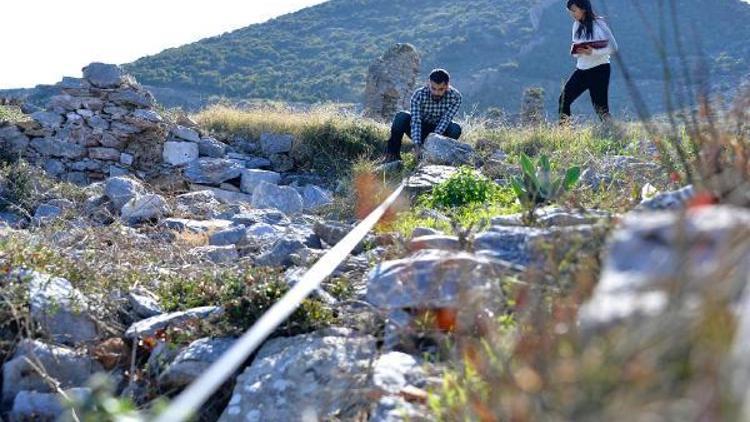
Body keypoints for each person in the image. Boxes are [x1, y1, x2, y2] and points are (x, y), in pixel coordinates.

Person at [383, 68, 462, 162]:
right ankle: (392, 155)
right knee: (401, 117)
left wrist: (432, 142)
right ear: (428, 83)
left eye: (441, 89)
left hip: (440, 131)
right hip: (420, 128)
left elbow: (446, 120)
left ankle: (441, 157)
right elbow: (416, 121)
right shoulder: (418, 95)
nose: (436, 92)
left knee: (455, 128)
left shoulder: (455, 97)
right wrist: (417, 145)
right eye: (433, 88)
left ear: (447, 86)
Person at [559, 0, 619, 123]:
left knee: (601, 109)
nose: (572, 14)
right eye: (570, 11)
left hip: (600, 70)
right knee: (563, 100)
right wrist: (576, 51)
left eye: (574, 10)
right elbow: (577, 50)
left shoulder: (600, 24)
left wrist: (593, 52)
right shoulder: (576, 25)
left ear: (583, 8)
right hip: (581, 70)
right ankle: (565, 133)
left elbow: (613, 47)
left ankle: (614, 132)